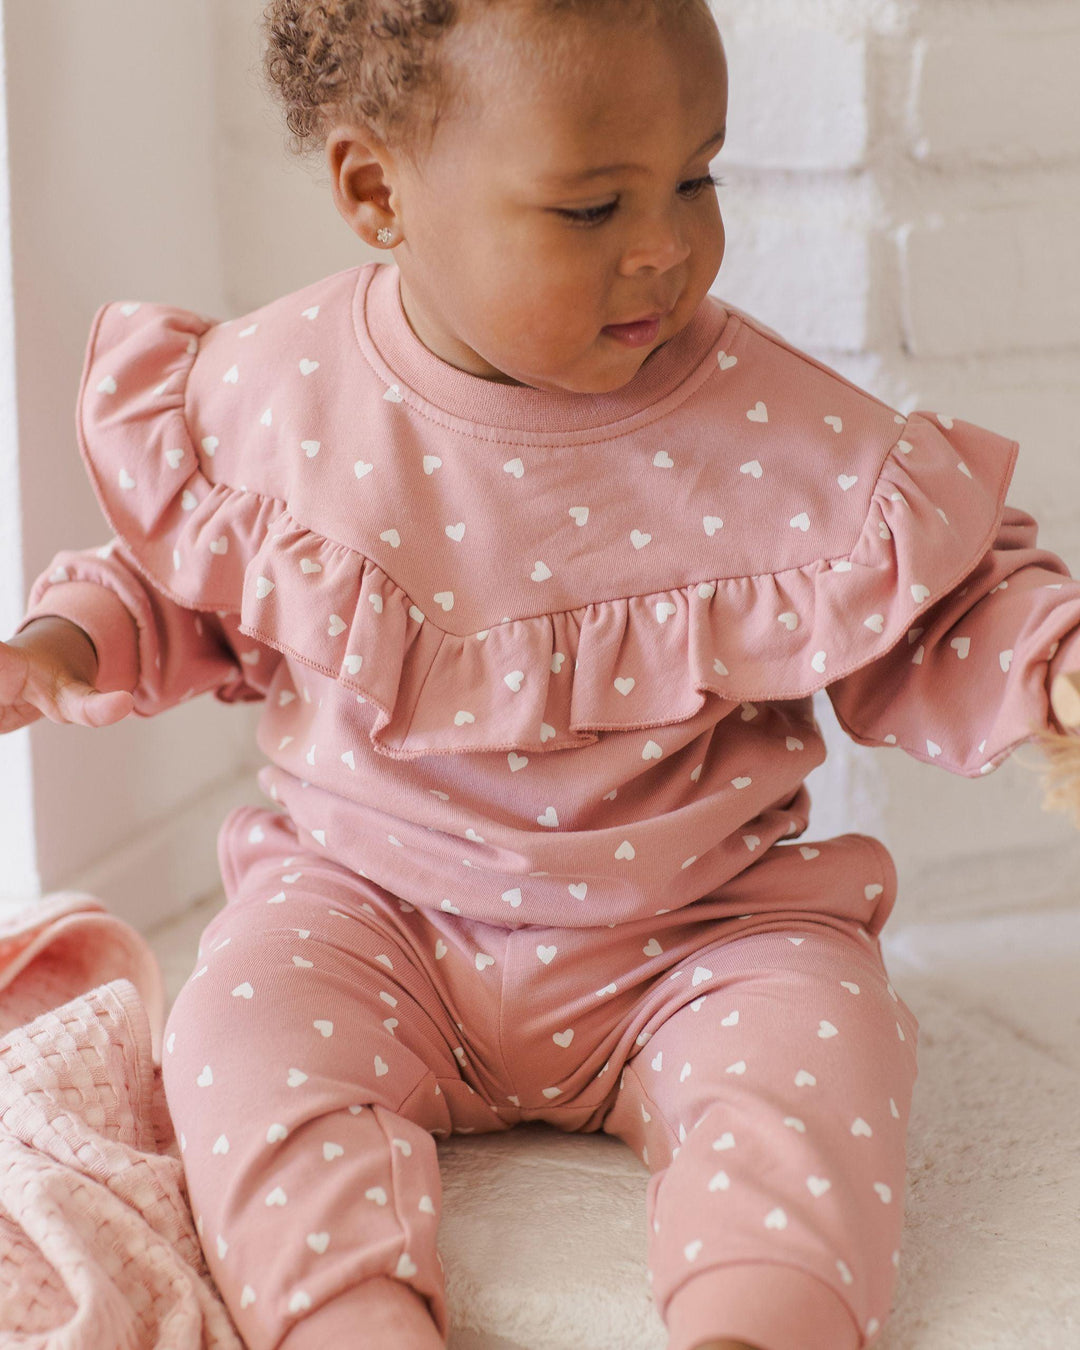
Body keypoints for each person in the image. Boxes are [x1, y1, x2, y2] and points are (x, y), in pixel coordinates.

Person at [2, 1, 1077, 1347]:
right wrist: (59, 649)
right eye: (590, 209)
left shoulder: (763, 426)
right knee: (235, 1028)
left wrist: (1048, 659)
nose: (669, 247)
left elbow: (933, 601)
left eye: (699, 175)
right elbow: (185, 575)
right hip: (375, 912)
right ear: (377, 189)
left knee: (820, 1054)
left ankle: (764, 1314)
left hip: (699, 928)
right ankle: (347, 1312)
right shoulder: (283, 395)